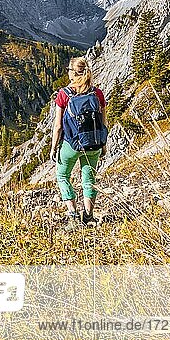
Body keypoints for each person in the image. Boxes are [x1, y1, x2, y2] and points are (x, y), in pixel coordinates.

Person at [50, 57, 108, 231]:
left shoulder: (64, 94)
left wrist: (54, 147)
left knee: (62, 176)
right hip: (94, 143)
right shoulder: (97, 94)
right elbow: (103, 122)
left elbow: (58, 126)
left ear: (73, 73)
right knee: (89, 179)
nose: (67, 72)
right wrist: (103, 144)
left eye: (69, 69)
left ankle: (73, 215)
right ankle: (89, 216)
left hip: (72, 143)